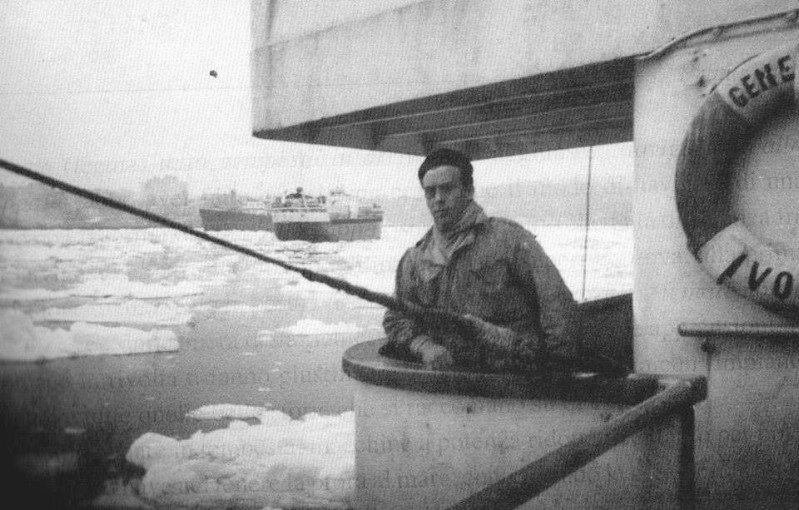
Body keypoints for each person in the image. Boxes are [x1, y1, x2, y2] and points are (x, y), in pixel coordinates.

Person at [382, 148, 579, 372]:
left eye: (446, 189)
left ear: (468, 191)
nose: (438, 199)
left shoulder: (508, 240)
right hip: (452, 382)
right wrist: (424, 346)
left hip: (513, 378)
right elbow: (396, 317)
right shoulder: (415, 260)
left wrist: (559, 368)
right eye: (430, 192)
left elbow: (556, 304)